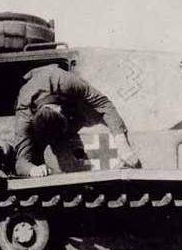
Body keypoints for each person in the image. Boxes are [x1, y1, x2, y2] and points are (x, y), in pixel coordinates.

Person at [12, 64, 140, 177]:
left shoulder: (63, 81)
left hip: (64, 93)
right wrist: (32, 169)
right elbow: (21, 162)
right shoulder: (24, 114)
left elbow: (103, 103)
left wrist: (122, 143)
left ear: (61, 110)